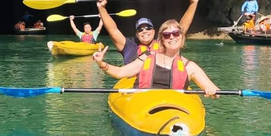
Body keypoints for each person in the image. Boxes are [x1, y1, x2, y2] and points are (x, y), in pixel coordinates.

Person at [92, 19, 220, 96]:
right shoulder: (147, 57)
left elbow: (216, 92)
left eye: (176, 33)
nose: (172, 37)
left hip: (175, 107)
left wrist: (212, 92)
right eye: (167, 35)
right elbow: (120, 72)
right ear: (161, 39)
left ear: (182, 37)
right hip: (146, 104)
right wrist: (101, 63)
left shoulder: (190, 67)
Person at [96, 0, 200, 65]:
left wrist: (193, 3)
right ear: (137, 34)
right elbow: (113, 30)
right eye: (140, 29)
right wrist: (102, 8)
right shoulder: (128, 46)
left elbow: (182, 28)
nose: (144, 31)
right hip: (136, 88)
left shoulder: (164, 43)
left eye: (148, 28)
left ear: (154, 32)